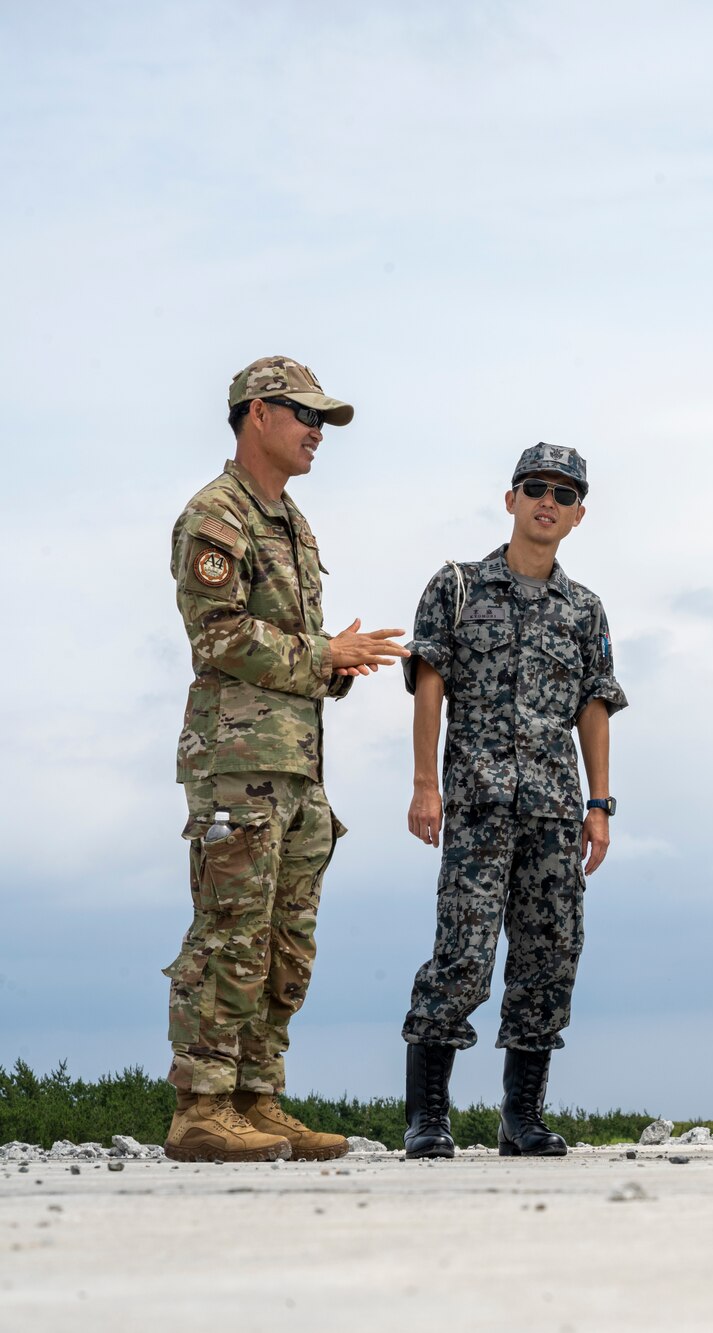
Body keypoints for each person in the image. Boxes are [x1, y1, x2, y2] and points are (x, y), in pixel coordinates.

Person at [164, 355, 408, 1163]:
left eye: (323, 421)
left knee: (285, 942)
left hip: (298, 764)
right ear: (257, 413)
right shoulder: (217, 515)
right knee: (230, 932)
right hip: (236, 761)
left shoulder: (294, 524)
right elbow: (220, 635)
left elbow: (295, 652)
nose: (316, 432)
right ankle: (202, 1104)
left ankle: (258, 1097)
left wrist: (335, 666)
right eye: (306, 416)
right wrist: (323, 651)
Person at [399, 443, 627, 1159]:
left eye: (563, 493)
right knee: (462, 955)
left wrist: (600, 803)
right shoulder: (459, 587)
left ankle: (521, 1116)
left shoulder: (584, 609)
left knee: (548, 958)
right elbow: (430, 680)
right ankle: (427, 1116)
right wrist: (424, 784)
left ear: (579, 514)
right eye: (535, 488)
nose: (547, 502)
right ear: (510, 499)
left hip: (556, 810)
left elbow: (595, 703)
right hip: (477, 801)